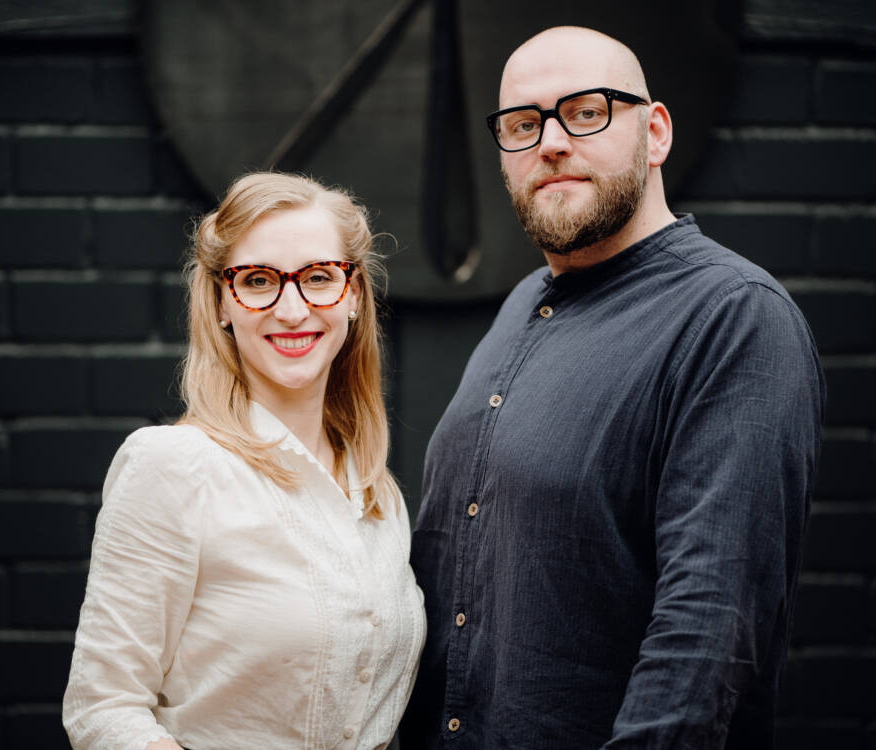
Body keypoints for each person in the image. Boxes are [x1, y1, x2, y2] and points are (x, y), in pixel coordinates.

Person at [399, 26, 824, 749]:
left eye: (588, 111)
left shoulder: (735, 317)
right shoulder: (521, 304)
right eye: (523, 124)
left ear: (654, 132)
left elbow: (707, 634)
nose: (552, 142)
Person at [64, 172, 426, 750]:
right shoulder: (173, 467)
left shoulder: (378, 495)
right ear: (222, 303)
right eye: (257, 281)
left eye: (318, 278)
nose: (291, 308)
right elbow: (102, 709)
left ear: (353, 294)